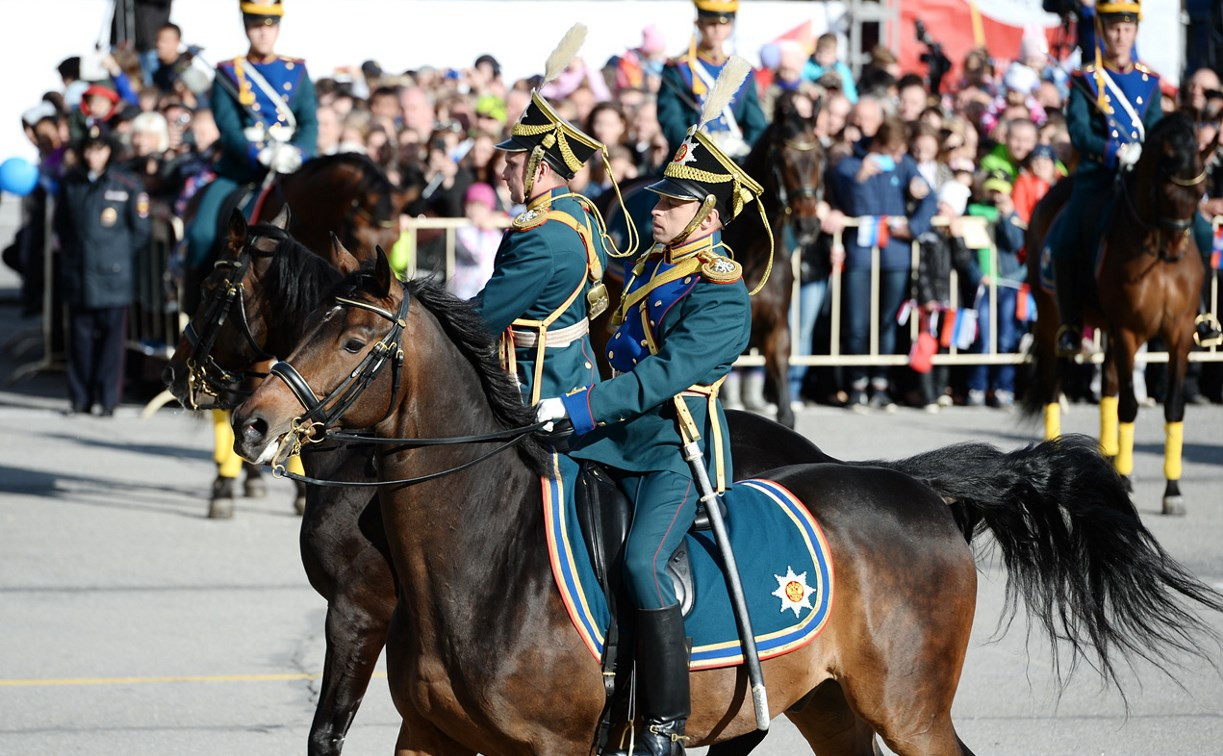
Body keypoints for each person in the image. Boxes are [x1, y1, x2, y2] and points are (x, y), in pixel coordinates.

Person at [534, 59, 763, 754]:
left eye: (668, 205)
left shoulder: (722, 291)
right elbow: (624, 326)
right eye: (657, 202)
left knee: (639, 563)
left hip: (675, 446)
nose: (653, 210)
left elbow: (663, 376)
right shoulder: (659, 265)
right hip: (618, 437)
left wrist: (577, 408)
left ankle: (662, 723)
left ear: (708, 215)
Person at [1045, 0, 1221, 355]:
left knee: (1199, 228)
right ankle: (1070, 322)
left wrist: (1151, 154)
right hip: (1098, 176)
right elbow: (1079, 132)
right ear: (1101, 31)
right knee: (1067, 232)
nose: (1120, 35)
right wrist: (1113, 152)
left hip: (1141, 176)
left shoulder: (1149, 81)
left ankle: (1203, 313)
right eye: (1113, 28)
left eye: (1127, 28)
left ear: (1136, 32)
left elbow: (1155, 127)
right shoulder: (1084, 80)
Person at [473, 31, 623, 407]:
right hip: (574, 369)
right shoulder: (578, 212)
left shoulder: (540, 235)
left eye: (512, 164)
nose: (504, 173)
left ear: (539, 171)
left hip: (539, 384)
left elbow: (484, 318)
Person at [183, 0, 317, 276]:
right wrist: (259, 153)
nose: (263, 33)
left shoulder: (297, 71)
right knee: (202, 235)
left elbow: (309, 122)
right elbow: (228, 128)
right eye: (256, 26)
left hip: (288, 168)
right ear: (246, 27)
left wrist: (299, 154)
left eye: (270, 26)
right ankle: (196, 304)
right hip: (240, 171)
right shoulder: (229, 73)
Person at [833, 116, 937, 409]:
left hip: (895, 255)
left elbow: (930, 198)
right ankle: (856, 384)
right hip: (861, 256)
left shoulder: (903, 165)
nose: (897, 157)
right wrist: (860, 179)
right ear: (879, 143)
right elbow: (846, 203)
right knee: (856, 323)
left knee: (887, 322)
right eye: (893, 150)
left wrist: (913, 228)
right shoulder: (851, 164)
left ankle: (880, 385)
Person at [54, 125, 151, 416]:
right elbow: (62, 225)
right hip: (79, 273)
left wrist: (115, 256)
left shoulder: (126, 184)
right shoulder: (71, 183)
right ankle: (80, 399)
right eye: (89, 149)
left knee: (111, 343)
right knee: (80, 340)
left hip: (114, 275)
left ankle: (108, 400)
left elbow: (140, 231)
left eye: (100, 149)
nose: (94, 156)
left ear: (110, 151)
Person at [656, 0, 766, 160]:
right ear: (698, 24)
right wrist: (697, 153)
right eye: (711, 23)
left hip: (735, 161)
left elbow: (756, 125)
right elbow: (671, 122)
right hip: (691, 160)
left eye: (723, 24)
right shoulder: (678, 70)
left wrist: (749, 154)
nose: (717, 30)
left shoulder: (742, 71)